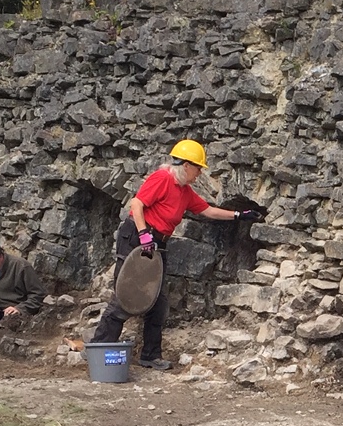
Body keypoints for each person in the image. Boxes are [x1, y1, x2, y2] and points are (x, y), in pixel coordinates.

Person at [90, 139, 261, 370]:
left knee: (157, 301)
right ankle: (99, 349)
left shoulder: (185, 192)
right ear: (187, 165)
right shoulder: (162, 179)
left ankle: (150, 355)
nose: (200, 173)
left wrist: (239, 215)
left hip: (157, 243)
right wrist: (144, 235)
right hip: (136, 239)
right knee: (126, 295)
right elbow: (137, 204)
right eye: (198, 168)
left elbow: (207, 210)